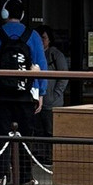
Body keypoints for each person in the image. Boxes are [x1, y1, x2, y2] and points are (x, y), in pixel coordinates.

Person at [0, 0, 48, 185]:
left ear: (4, 14)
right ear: (23, 15)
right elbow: (41, 65)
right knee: (26, 136)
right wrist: (40, 92)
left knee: (0, 136)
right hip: (27, 93)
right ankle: (26, 177)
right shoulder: (32, 35)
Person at [32, 24, 68, 168]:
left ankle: (52, 157)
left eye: (44, 38)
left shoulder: (55, 54)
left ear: (50, 39)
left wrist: (56, 94)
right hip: (37, 101)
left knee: (51, 131)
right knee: (38, 130)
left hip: (52, 102)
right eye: (39, 38)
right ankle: (40, 156)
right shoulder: (34, 53)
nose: (41, 41)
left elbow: (64, 76)